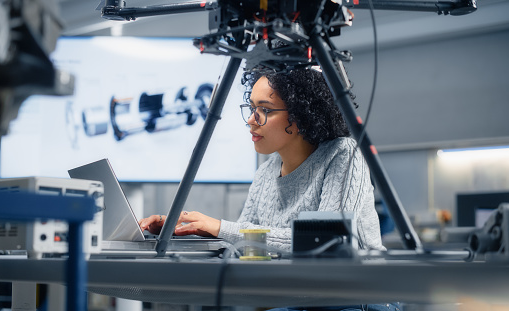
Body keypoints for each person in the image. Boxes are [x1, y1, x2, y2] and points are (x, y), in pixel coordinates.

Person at [138, 66, 385, 254]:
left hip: (358, 299)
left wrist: (220, 227)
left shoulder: (343, 154)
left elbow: (329, 240)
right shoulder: (266, 174)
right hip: (306, 298)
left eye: (265, 110)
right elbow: (247, 244)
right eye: (252, 107)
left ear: (303, 115)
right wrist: (185, 230)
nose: (251, 120)